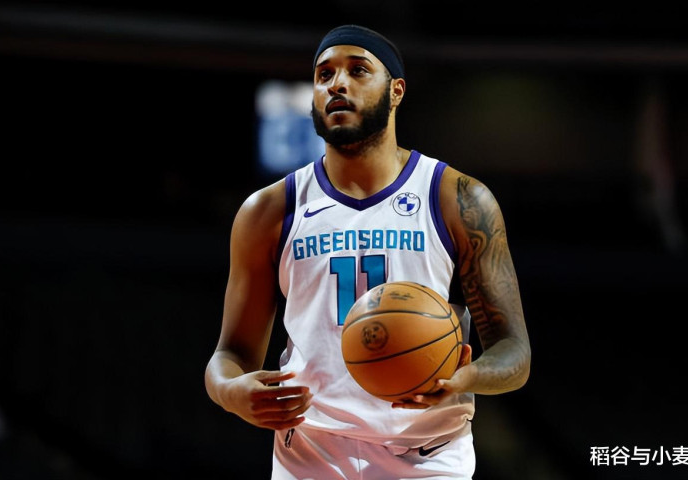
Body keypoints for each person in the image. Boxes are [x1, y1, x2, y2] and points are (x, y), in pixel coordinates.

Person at [205, 24, 531, 479]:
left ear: (396, 91)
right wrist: (231, 393)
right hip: (310, 453)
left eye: (358, 70)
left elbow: (514, 353)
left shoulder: (457, 199)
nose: (337, 84)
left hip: (428, 455)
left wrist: (465, 377)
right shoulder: (269, 210)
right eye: (324, 74)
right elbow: (229, 355)